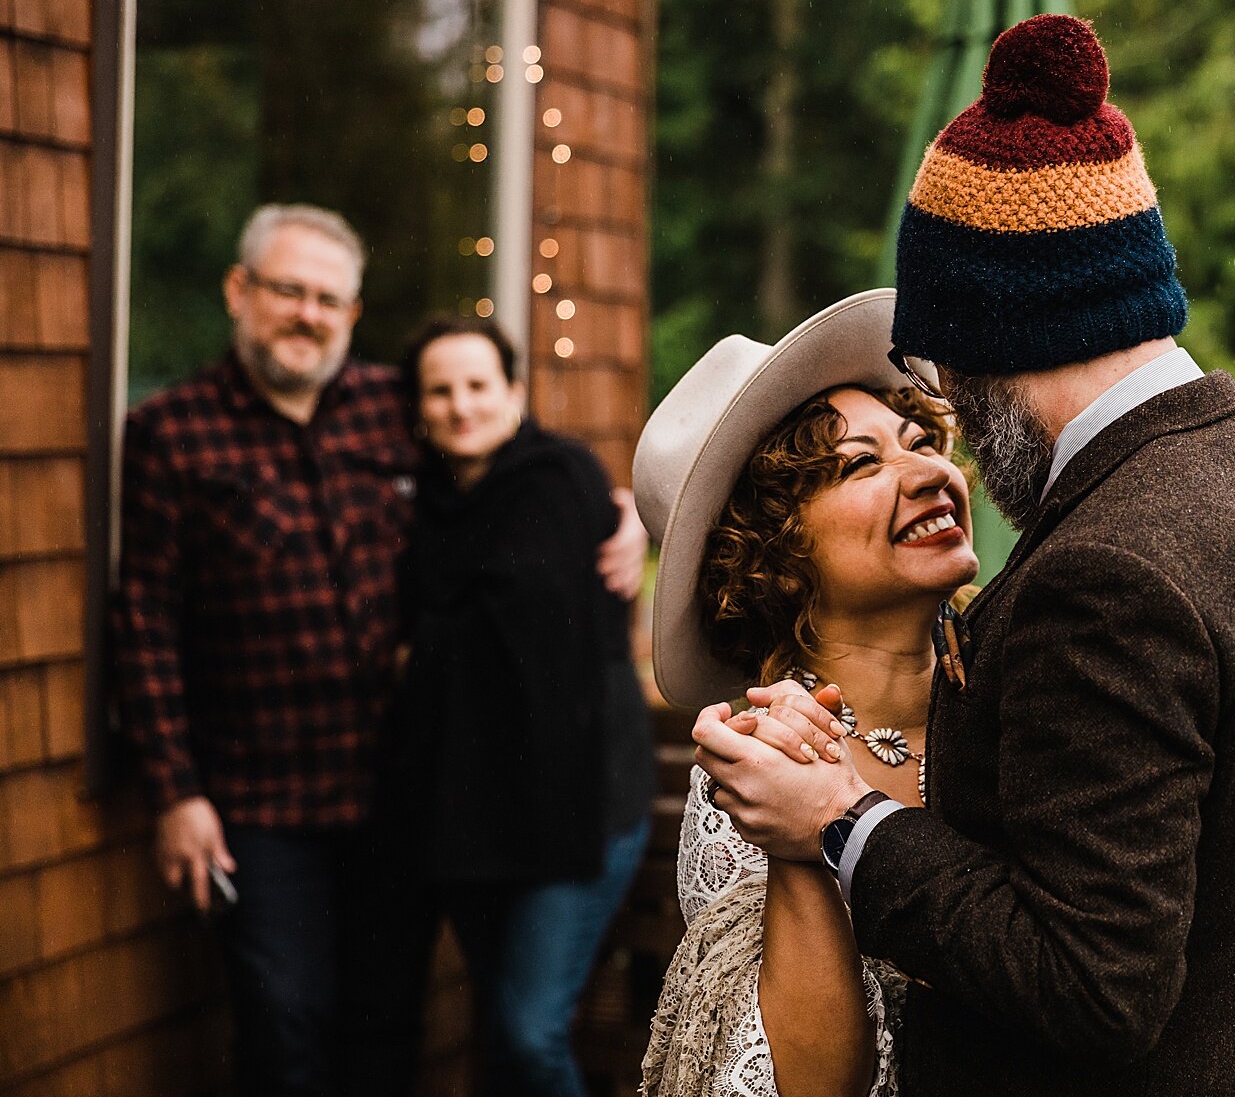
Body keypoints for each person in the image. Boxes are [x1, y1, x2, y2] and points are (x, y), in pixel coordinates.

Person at [691, 14, 1235, 1097]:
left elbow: (1095, 989)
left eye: (935, 372)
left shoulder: (1102, 574)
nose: (947, 411)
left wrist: (842, 823)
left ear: (988, 335)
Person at [110, 203, 647, 1097]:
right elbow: (146, 621)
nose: (307, 314)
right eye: (288, 290)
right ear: (239, 293)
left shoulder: (384, 409)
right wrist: (177, 790)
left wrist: (621, 510)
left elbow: (515, 471)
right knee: (284, 1022)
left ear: (352, 316)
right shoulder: (172, 431)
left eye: (329, 298)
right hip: (259, 796)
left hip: (394, 790)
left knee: (385, 1024)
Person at [630, 290, 980, 1097]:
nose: (929, 470)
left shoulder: (1029, 680)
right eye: (862, 464)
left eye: (920, 440)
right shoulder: (753, 778)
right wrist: (803, 850)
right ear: (773, 553)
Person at [394, 317, 654, 1097]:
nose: (460, 405)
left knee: (527, 1031)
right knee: (505, 1038)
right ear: (419, 408)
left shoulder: (562, 479)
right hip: (471, 813)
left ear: (513, 393)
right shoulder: (424, 506)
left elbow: (558, 632)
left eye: (478, 385)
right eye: (440, 390)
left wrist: (641, 516)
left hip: (581, 803)